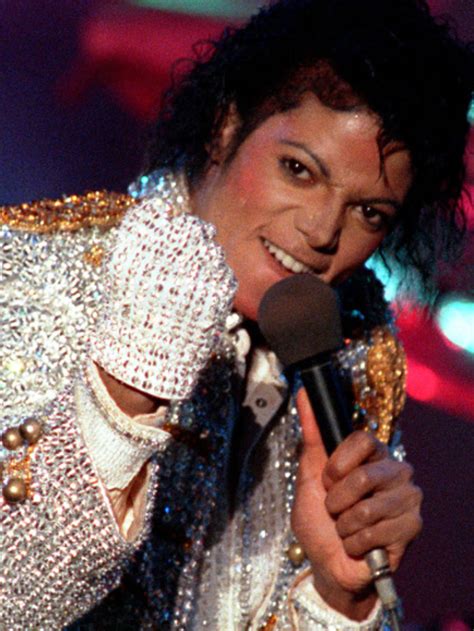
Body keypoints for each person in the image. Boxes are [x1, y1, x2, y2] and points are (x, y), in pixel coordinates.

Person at [0, 0, 472, 628]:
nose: (321, 231)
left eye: (369, 213)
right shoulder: (33, 272)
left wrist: (340, 597)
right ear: (226, 128)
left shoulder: (353, 348)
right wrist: (119, 412)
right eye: (298, 170)